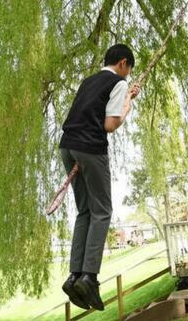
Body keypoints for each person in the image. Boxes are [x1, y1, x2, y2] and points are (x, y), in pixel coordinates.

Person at [59, 44, 141, 311]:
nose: (127, 75)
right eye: (128, 70)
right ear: (123, 63)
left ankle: (75, 276)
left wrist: (127, 99)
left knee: (85, 211)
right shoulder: (117, 82)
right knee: (102, 211)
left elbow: (88, 113)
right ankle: (90, 278)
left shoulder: (89, 81)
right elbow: (110, 125)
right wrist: (127, 106)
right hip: (90, 148)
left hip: (68, 147)